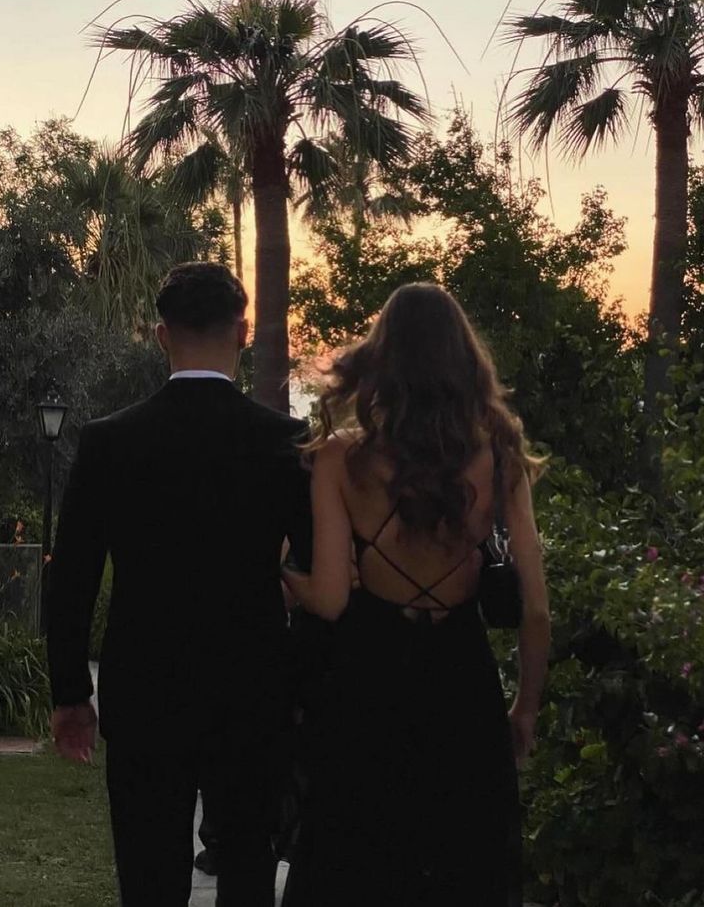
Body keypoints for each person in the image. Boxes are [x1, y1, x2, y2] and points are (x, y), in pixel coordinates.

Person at [46, 262, 312, 907]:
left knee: (148, 869)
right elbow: (313, 570)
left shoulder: (109, 441)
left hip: (144, 684)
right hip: (253, 682)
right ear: (243, 332)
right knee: (249, 863)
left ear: (161, 336)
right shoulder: (283, 441)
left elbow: (72, 577)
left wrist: (70, 694)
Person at [281, 283, 551, 907]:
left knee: (357, 863)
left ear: (381, 360)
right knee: (465, 866)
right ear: (464, 361)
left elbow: (328, 599)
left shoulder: (338, 460)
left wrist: (283, 581)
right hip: (462, 675)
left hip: (366, 678)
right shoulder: (499, 455)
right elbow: (536, 610)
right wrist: (525, 708)